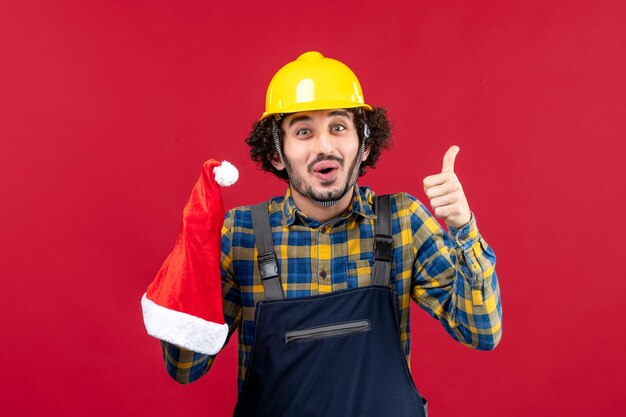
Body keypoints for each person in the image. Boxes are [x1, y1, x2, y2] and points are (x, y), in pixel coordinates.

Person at [145, 51, 502, 417]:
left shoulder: (402, 222)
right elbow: (185, 368)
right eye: (303, 131)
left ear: (363, 145)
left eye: (338, 127)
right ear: (277, 154)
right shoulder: (242, 234)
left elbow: (482, 331)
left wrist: (462, 228)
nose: (324, 147)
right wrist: (192, 255)